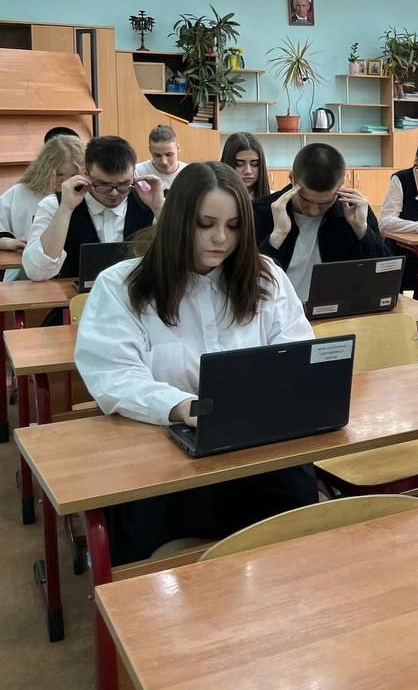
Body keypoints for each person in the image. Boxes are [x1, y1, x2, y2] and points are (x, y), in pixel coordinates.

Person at [75, 162, 317, 564]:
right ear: (177, 221)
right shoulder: (121, 285)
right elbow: (114, 374)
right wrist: (181, 406)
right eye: (205, 224)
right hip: (159, 452)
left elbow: (295, 351)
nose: (221, 238)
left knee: (296, 521)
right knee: (146, 549)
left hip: (252, 445)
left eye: (234, 226)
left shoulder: (266, 277)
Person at [252, 143, 388, 303]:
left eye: (324, 203)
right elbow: (246, 279)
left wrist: (362, 231)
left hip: (339, 310)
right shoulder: (260, 212)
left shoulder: (354, 211)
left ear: (340, 185)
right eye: (306, 200)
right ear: (292, 178)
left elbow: (386, 274)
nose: (314, 211)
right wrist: (277, 235)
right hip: (277, 311)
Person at [23, 135, 165, 281]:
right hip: (71, 294)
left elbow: (176, 259)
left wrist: (160, 208)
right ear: (86, 174)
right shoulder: (55, 204)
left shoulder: (149, 202)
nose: (114, 193)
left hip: (135, 292)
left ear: (134, 175)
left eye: (123, 184)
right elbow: (36, 272)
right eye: (104, 184)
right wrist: (65, 210)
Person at [0, 135, 84, 280]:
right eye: (59, 174)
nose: (66, 182)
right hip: (27, 277)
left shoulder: (89, 195)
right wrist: (8, 242)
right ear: (44, 169)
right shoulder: (21, 192)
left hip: (74, 274)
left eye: (74, 175)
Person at [134, 124, 187, 192]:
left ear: (178, 148)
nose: (164, 162)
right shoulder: (137, 172)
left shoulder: (190, 173)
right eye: (157, 155)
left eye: (169, 154)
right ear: (150, 150)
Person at [220, 132, 270, 200]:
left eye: (255, 164)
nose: (248, 171)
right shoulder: (214, 199)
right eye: (239, 164)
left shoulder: (274, 200)